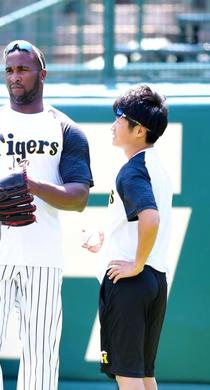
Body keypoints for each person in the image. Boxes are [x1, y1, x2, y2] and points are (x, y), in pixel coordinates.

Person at [0, 40, 93, 390]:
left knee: (40, 353)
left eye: (23, 69)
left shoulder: (65, 129)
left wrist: (33, 185)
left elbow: (79, 197)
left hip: (42, 255)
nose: (15, 77)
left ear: (42, 74)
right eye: (9, 70)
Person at [83, 85, 171, 390]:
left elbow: (150, 217)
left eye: (120, 117)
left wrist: (135, 264)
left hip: (131, 282)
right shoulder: (154, 165)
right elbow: (133, 219)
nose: (113, 124)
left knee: (130, 378)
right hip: (154, 281)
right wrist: (104, 237)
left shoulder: (133, 171)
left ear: (139, 130)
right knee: (145, 376)